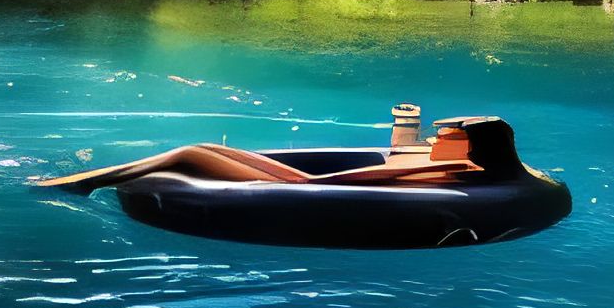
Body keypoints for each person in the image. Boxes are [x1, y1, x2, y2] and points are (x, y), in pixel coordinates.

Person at [35, 112, 522, 195]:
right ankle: (87, 181)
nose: (435, 141)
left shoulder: (455, 167)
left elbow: (357, 182)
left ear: (472, 147)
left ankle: (84, 183)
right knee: (203, 148)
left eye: (445, 136)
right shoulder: (450, 159)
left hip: (305, 187)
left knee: (185, 155)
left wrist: (308, 184)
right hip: (300, 181)